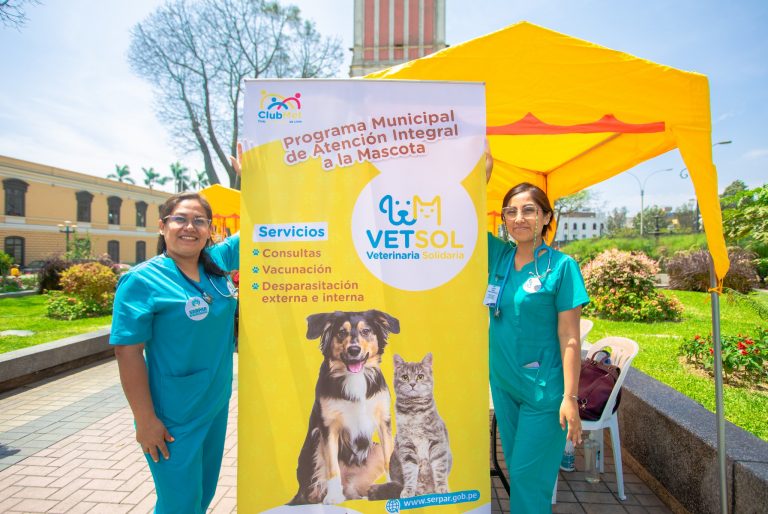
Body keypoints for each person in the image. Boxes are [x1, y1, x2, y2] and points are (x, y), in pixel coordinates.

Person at [111, 191, 239, 513]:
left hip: (215, 404)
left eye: (199, 221)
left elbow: (256, 226)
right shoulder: (141, 281)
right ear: (162, 226)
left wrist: (252, 174)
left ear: (209, 229)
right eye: (180, 219)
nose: (189, 227)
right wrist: (145, 420)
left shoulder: (216, 264)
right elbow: (128, 352)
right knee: (180, 504)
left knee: (202, 495)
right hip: (172, 416)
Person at [485, 150, 589, 511]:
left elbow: (570, 337)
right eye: (511, 211)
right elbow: (460, 221)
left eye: (529, 210)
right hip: (505, 384)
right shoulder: (498, 256)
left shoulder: (562, 267)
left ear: (547, 217)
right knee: (519, 471)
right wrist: (481, 173)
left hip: (544, 393)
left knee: (530, 482)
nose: (519, 218)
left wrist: (571, 398)